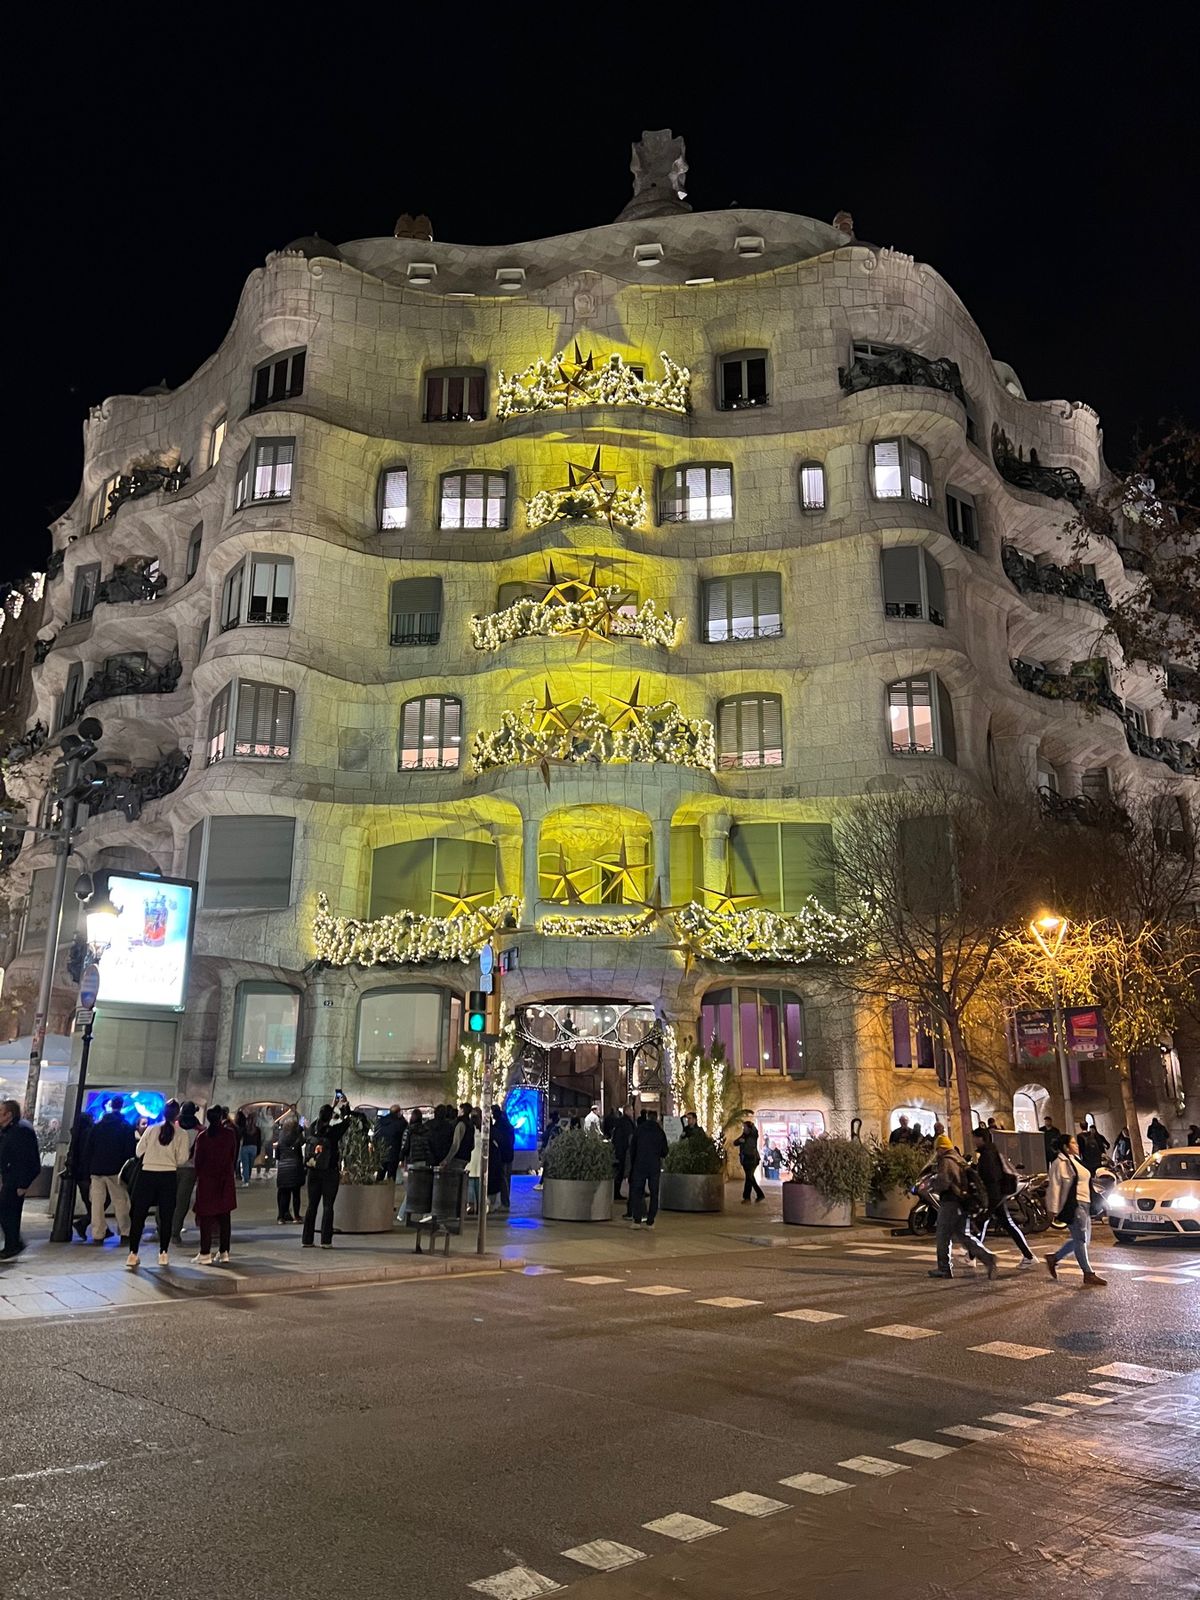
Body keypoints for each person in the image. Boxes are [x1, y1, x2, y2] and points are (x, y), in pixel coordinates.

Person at [927, 1134, 998, 1280]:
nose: (936, 1153)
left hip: (950, 1202)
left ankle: (944, 1269)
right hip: (963, 1202)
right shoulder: (959, 1159)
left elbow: (944, 1182)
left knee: (942, 1235)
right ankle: (987, 1258)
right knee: (964, 1235)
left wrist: (932, 1185)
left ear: (941, 1148)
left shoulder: (946, 1161)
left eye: (937, 1149)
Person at [126, 1109, 191, 1268]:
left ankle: (133, 1254)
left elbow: (139, 1151)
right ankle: (163, 1253)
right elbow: (183, 1158)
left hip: (147, 1174)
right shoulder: (182, 1133)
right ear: (176, 1116)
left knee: (139, 1215)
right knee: (166, 1215)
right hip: (168, 1175)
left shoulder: (151, 1129)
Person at [1044, 1133, 1107, 1287]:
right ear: (1066, 1147)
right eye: (1073, 1143)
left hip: (1085, 1203)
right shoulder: (1059, 1163)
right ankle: (1088, 1273)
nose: (1077, 1145)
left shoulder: (1075, 1160)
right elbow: (1055, 1187)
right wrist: (1052, 1210)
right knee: (1080, 1239)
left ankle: (1054, 1258)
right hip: (1074, 1205)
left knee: (1084, 1239)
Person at [972, 1128, 1034, 1267]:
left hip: (994, 1196)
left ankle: (972, 1255)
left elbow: (992, 1179)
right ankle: (1028, 1256)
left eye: (974, 1138)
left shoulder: (987, 1155)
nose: (973, 1141)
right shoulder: (991, 1152)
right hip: (997, 1195)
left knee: (984, 1222)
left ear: (981, 1139)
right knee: (1002, 1224)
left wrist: (990, 1202)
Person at [88, 1095, 137, 1245]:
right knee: (120, 1201)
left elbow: (89, 1148)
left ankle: (98, 1233)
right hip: (116, 1170)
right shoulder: (126, 1127)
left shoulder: (97, 1126)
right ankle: (125, 1232)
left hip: (96, 1169)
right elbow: (130, 1151)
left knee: (97, 1203)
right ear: (121, 1106)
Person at [191, 1107, 238, 1264]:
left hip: (207, 1181)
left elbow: (198, 1161)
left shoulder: (203, 1136)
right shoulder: (229, 1135)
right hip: (225, 1180)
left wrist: (200, 1175)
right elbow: (233, 1155)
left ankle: (205, 1252)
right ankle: (224, 1251)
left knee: (206, 1217)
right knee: (225, 1217)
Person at [302, 1099, 349, 1248]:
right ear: (330, 1117)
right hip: (330, 1172)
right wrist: (344, 1106)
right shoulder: (333, 1133)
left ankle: (307, 1239)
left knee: (311, 1206)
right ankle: (326, 1240)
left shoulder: (311, 1130)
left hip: (313, 1171)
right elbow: (347, 1121)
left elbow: (320, 1120)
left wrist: (332, 1105)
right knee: (328, 1206)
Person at [0, 1099, 41, 1261]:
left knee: (8, 1212)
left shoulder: (20, 1130)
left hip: (16, 1179)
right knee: (8, 1212)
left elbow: (27, 1160)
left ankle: (13, 1244)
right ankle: (13, 1243)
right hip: (9, 1176)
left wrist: (23, 1184)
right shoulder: (8, 1129)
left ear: (8, 1114)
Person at [628, 1109, 668, 1227]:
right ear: (656, 1118)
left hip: (640, 1164)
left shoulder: (639, 1129)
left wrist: (634, 1161)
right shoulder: (660, 1132)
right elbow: (665, 1151)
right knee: (654, 1192)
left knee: (637, 1191)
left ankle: (637, 1220)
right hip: (654, 1165)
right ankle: (650, 1221)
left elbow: (632, 1148)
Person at [171, 1101, 203, 1244]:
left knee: (166, 1199)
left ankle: (162, 1228)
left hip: (170, 1166)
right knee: (182, 1202)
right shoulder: (200, 1130)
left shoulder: (173, 1126)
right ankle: (175, 1232)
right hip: (190, 1168)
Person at [70, 1110, 95, 1240]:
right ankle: (83, 1223)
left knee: (91, 1202)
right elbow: (88, 1154)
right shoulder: (88, 1134)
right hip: (87, 1173)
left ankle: (90, 1224)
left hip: (79, 1173)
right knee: (96, 1203)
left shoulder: (76, 1134)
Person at [275, 1114, 305, 1222]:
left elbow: (277, 1155)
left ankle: (281, 1216)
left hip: (283, 1168)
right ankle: (296, 1216)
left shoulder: (281, 1137)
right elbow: (302, 1143)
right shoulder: (297, 1136)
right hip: (295, 1167)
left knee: (283, 1193)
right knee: (296, 1193)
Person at [734, 1118, 765, 1202]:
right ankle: (757, 1195)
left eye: (745, 1127)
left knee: (749, 1177)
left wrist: (743, 1141)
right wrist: (740, 1141)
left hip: (752, 1159)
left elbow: (750, 1146)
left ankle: (748, 1197)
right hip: (746, 1159)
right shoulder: (744, 1135)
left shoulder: (752, 1136)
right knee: (750, 1177)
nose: (744, 1129)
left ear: (749, 1128)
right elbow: (735, 1143)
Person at [375, 1104, 407, 1182]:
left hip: (382, 1153)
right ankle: (389, 1192)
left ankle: (377, 1192)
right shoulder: (400, 1123)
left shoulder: (381, 1121)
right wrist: (401, 1117)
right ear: (398, 1112)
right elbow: (405, 1125)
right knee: (391, 1177)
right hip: (393, 1154)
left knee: (380, 1176)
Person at [492, 1103, 515, 1211]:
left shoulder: (499, 1125)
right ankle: (505, 1201)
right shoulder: (508, 1125)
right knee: (506, 1178)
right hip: (509, 1153)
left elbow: (498, 1140)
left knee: (502, 1178)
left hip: (502, 1155)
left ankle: (504, 1202)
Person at [613, 1105, 635, 1207]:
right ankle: (616, 1192)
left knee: (620, 1171)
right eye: (631, 1110)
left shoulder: (621, 1121)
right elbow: (630, 1137)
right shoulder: (627, 1122)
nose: (633, 1111)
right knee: (621, 1171)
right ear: (626, 1111)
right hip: (623, 1150)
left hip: (620, 1149)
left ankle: (617, 1191)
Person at [444, 1102, 476, 1171]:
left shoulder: (460, 1124)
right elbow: (473, 1145)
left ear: (462, 1111)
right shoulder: (471, 1125)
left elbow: (456, 1144)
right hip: (466, 1158)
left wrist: (447, 1159)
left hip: (458, 1157)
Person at [466, 1110, 484, 1214]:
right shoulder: (482, 1130)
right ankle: (480, 1206)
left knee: (471, 1185)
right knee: (478, 1185)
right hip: (479, 1160)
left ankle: (471, 1206)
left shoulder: (469, 1130)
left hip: (471, 1160)